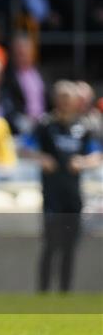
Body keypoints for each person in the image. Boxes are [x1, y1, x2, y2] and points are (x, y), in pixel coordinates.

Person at [25, 81, 101, 292]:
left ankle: (65, 294)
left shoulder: (83, 128)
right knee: (50, 245)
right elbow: (24, 149)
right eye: (62, 98)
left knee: (70, 247)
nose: (65, 103)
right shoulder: (45, 125)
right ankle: (44, 293)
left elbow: (96, 155)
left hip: (72, 196)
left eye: (69, 98)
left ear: (76, 102)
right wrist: (42, 158)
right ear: (56, 100)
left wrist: (82, 162)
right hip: (52, 196)